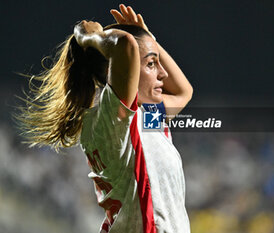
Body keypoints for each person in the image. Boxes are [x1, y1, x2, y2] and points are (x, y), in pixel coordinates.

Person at [18, 4, 193, 233]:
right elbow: (125, 45)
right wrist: (88, 37)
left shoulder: (144, 118)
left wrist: (150, 40)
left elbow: (182, 92)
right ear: (121, 68)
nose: (163, 73)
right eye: (151, 64)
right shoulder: (111, 118)